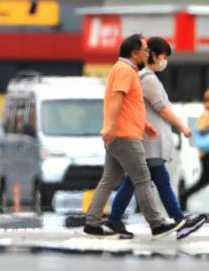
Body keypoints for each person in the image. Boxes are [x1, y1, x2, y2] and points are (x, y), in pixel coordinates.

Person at [83, 34, 191, 239]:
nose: (147, 53)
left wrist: (145, 124)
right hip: (125, 136)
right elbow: (117, 98)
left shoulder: (126, 70)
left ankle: (92, 224)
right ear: (134, 53)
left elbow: (129, 107)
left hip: (122, 133)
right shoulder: (125, 71)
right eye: (144, 50)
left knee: (109, 180)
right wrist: (112, 127)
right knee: (142, 180)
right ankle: (157, 224)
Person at [104, 37, 206, 240]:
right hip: (150, 143)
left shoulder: (144, 77)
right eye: (164, 56)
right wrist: (184, 127)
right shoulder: (148, 79)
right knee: (158, 181)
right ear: (155, 55)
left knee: (135, 182)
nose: (165, 61)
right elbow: (163, 110)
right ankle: (177, 219)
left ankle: (115, 219)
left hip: (148, 140)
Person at [180, 90, 209, 209]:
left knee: (203, 180)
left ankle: (184, 195)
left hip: (204, 154)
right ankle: (183, 195)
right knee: (203, 180)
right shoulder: (205, 114)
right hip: (206, 154)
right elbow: (198, 134)